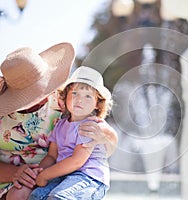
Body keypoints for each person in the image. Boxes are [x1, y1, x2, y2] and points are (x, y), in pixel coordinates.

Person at [0, 43, 118, 200]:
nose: (79, 99)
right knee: (22, 193)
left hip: (73, 175)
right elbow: (52, 154)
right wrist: (18, 173)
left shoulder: (66, 102)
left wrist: (105, 135)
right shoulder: (68, 108)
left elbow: (80, 159)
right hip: (27, 175)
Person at [28, 66, 113, 199]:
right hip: (64, 175)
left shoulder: (90, 127)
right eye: (74, 93)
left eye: (88, 96)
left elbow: (76, 161)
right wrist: (39, 172)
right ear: (65, 95)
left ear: (97, 103)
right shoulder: (61, 124)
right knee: (36, 196)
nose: (79, 100)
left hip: (89, 177)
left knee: (60, 197)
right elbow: (52, 156)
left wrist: (45, 175)